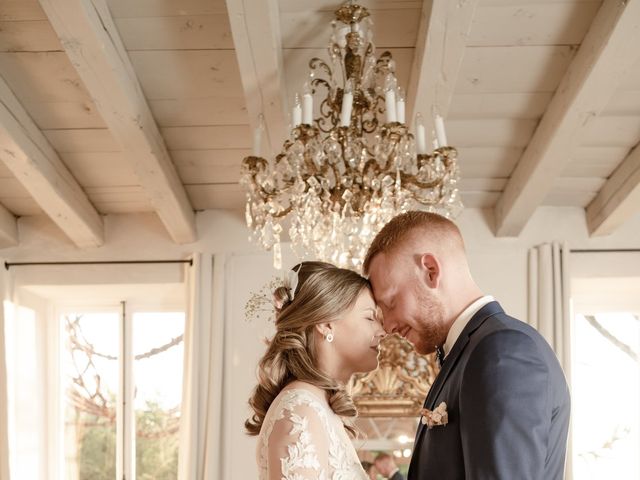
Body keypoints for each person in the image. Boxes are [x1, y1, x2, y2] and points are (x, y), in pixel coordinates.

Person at [363, 211, 571, 479]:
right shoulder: (470, 352)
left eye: (391, 302)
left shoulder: (501, 352)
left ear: (430, 271)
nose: (388, 326)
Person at [246, 261, 386, 479]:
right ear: (326, 323)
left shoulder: (317, 405)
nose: (382, 331)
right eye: (370, 317)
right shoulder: (300, 409)